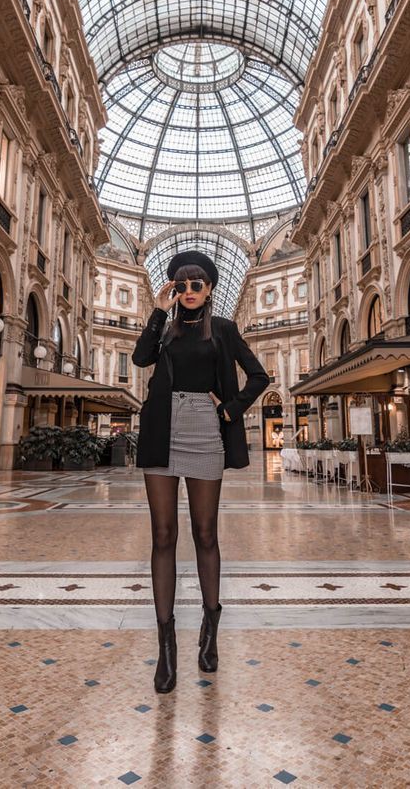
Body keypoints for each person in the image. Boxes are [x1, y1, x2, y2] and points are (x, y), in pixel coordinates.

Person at [132, 250, 269, 693]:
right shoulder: (165, 329)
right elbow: (139, 359)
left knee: (206, 534)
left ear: (209, 290)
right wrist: (157, 307)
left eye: (197, 285)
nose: (189, 292)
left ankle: (210, 633)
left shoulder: (224, 330)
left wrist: (229, 410)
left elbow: (258, 376)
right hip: (161, 429)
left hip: (205, 431)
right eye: (181, 285)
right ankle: (166, 647)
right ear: (174, 290)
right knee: (163, 536)